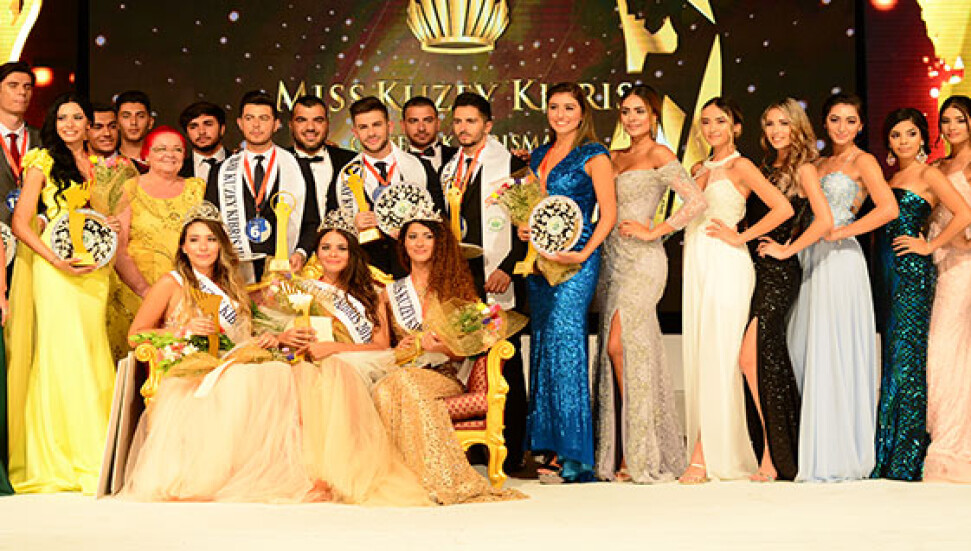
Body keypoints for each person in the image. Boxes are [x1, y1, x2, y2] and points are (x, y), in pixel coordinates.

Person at [121, 206, 323, 502]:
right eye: (194, 240)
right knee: (245, 378)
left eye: (211, 239)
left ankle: (260, 472)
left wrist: (273, 338)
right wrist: (183, 330)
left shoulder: (231, 286)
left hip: (230, 359)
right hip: (190, 364)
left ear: (220, 245)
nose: (203, 247)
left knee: (278, 372)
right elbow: (135, 335)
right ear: (183, 247)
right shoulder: (171, 283)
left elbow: (244, 335)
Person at [593, 85, 706, 484]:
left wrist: (655, 230)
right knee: (623, 352)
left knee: (620, 345)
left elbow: (696, 201)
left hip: (644, 261)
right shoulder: (612, 156)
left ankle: (639, 451)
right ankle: (627, 448)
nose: (632, 118)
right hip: (612, 261)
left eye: (639, 111)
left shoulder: (660, 154)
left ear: (654, 115)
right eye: (626, 111)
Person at [372, 211, 525, 503]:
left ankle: (440, 478)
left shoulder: (457, 291)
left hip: (444, 376)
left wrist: (441, 348)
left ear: (438, 243)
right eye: (412, 237)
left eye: (427, 237)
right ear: (403, 244)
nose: (419, 243)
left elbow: (474, 347)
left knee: (404, 385)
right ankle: (403, 479)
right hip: (402, 373)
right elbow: (381, 348)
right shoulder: (389, 293)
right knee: (386, 388)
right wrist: (403, 348)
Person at [680, 97, 792, 484]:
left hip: (728, 264)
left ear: (736, 128)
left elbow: (782, 208)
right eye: (706, 122)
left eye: (720, 121)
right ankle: (717, 446)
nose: (712, 128)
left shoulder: (741, 166)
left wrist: (740, 236)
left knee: (723, 356)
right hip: (697, 263)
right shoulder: (697, 169)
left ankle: (706, 454)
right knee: (703, 356)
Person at [786, 93, 898, 482]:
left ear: (861, 126)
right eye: (835, 119)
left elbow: (888, 208)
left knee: (834, 347)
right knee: (806, 346)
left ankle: (839, 451)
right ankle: (816, 443)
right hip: (810, 257)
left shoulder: (863, 161)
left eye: (851, 121)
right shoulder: (817, 164)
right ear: (825, 122)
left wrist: (844, 230)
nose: (842, 128)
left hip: (841, 259)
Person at [6, 94, 115, 494]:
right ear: (54, 123)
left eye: (78, 117)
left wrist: (108, 227)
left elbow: (93, 217)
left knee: (92, 349)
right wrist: (55, 260)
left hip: (92, 271)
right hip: (56, 269)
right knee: (63, 354)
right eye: (62, 117)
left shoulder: (97, 166)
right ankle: (61, 456)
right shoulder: (42, 160)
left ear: (89, 125)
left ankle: (99, 450)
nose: (70, 124)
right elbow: (21, 223)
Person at [287, 211, 430, 505]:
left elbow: (380, 346)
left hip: (362, 362)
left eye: (341, 248)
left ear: (352, 253)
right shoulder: (303, 291)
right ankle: (316, 475)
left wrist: (334, 349)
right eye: (326, 247)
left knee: (336, 370)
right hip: (316, 362)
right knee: (307, 376)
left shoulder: (371, 292)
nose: (333, 254)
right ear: (316, 253)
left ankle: (346, 472)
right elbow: (290, 336)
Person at [517, 82, 616, 483]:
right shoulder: (539, 155)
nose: (560, 114)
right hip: (541, 263)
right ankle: (547, 446)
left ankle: (574, 456)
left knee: (567, 345)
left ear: (582, 112)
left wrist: (584, 252)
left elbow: (608, 214)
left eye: (569, 107)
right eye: (554, 107)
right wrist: (525, 227)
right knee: (544, 345)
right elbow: (533, 207)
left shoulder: (594, 155)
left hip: (577, 262)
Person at [872, 108, 971, 481]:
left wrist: (930, 245)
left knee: (908, 359)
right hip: (888, 273)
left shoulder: (929, 174)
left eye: (911, 134)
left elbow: (963, 213)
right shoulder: (893, 177)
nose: (903, 141)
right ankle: (890, 450)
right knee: (895, 356)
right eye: (896, 135)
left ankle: (907, 456)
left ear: (922, 138)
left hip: (913, 274)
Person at [441, 91, 530, 472]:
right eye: (458, 121)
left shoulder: (512, 165)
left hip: (499, 275)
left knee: (504, 360)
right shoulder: (449, 168)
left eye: (471, 121)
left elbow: (526, 222)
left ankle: (513, 447)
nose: (463, 128)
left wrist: (508, 267)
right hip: (464, 278)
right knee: (468, 359)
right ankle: (476, 445)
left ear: (488, 125)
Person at [751, 99, 835, 482]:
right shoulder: (766, 168)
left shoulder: (804, 169)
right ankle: (773, 452)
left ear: (797, 126)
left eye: (783, 123)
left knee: (757, 356)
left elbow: (824, 220)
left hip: (780, 272)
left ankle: (777, 456)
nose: (775, 131)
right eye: (770, 124)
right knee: (761, 359)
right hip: (755, 270)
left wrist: (788, 250)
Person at [106, 126, 206, 361]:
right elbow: (119, 249)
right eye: (161, 149)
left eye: (177, 149)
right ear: (146, 155)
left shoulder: (197, 188)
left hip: (184, 295)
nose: (169, 154)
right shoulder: (128, 189)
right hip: (136, 291)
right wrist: (146, 292)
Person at [205, 90, 314, 282]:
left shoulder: (299, 167)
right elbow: (210, 224)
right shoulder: (221, 171)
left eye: (264, 118)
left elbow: (312, 221)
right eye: (249, 118)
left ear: (276, 124)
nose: (256, 125)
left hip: (284, 270)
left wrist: (301, 252)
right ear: (240, 123)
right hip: (235, 272)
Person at [334, 96, 444, 279]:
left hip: (416, 272)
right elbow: (334, 232)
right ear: (355, 132)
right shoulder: (344, 175)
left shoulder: (421, 167)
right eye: (363, 127)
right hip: (367, 274)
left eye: (376, 125)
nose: (371, 133)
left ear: (390, 126)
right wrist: (353, 226)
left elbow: (440, 219)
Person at [925, 95, 971, 482]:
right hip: (941, 269)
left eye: (960, 119)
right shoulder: (937, 168)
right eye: (946, 120)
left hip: (964, 265)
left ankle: (955, 444)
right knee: (946, 351)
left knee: (950, 348)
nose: (952, 127)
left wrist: (957, 242)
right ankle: (948, 437)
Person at [286, 94, 356, 270]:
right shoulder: (279, 162)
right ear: (291, 125)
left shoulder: (351, 162)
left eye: (318, 120)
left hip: (345, 263)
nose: (310, 127)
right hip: (292, 262)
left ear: (327, 124)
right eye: (302, 120)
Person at [0, 61, 40, 227]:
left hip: (35, 231)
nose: (22, 92)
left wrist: (44, 219)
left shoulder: (44, 140)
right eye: (13, 85)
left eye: (27, 87)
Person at [401, 95, 456, 172]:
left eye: (428, 120)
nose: (421, 128)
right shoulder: (398, 165)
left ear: (438, 123)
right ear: (403, 126)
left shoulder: (458, 156)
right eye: (414, 121)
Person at [177, 101, 227, 183]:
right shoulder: (177, 170)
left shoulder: (240, 163)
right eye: (193, 127)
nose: (201, 132)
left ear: (222, 129)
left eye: (208, 124)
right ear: (187, 133)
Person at [114, 90, 154, 172]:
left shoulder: (163, 162)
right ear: (116, 123)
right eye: (126, 116)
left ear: (150, 122)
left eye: (140, 116)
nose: (133, 122)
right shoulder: (108, 162)